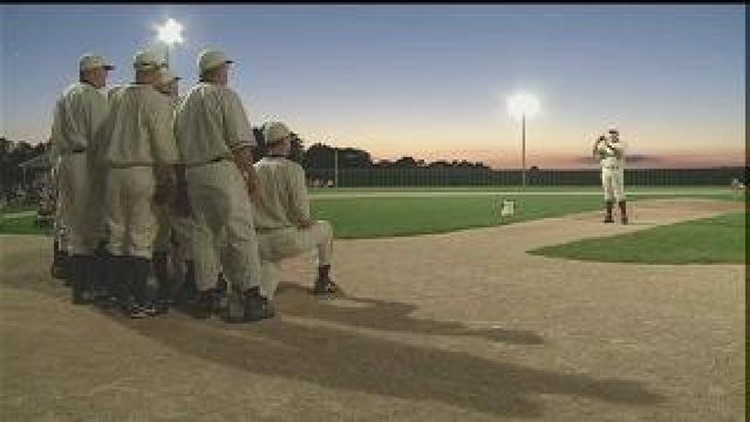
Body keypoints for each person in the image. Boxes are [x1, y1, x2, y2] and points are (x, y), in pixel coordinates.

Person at [174, 48, 272, 322]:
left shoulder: (183, 103)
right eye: (226, 68)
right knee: (241, 232)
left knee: (203, 235)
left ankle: (207, 297)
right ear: (218, 69)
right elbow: (240, 145)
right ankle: (252, 297)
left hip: (193, 172)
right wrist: (252, 176)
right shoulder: (225, 95)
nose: (228, 72)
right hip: (221, 169)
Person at [97, 50, 179, 318]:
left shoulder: (116, 95)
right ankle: (138, 299)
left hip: (113, 173)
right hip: (141, 172)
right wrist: (167, 179)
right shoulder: (156, 100)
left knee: (116, 236)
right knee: (141, 239)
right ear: (155, 70)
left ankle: (115, 294)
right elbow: (163, 146)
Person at [49, 53, 113, 304]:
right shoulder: (92, 96)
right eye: (102, 71)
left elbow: (54, 135)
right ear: (89, 73)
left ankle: (79, 286)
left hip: (66, 160)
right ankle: (88, 287)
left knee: (75, 226)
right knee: (91, 226)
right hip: (87, 161)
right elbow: (102, 137)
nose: (106, 75)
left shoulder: (65, 95)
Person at [251, 121, 340, 301]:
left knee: (267, 276)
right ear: (284, 141)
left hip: (257, 242)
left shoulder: (253, 169)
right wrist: (308, 223)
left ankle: (258, 298)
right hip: (285, 239)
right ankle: (323, 282)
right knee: (326, 228)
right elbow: (301, 214)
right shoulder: (293, 169)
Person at [592, 128, 628, 224]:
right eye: (610, 133)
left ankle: (624, 216)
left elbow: (618, 153)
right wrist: (597, 141)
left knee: (619, 193)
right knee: (607, 193)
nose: (612, 135)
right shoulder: (604, 145)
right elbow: (594, 153)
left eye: (614, 133)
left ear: (617, 135)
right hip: (605, 170)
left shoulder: (621, 144)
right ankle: (609, 216)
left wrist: (607, 143)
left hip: (617, 170)